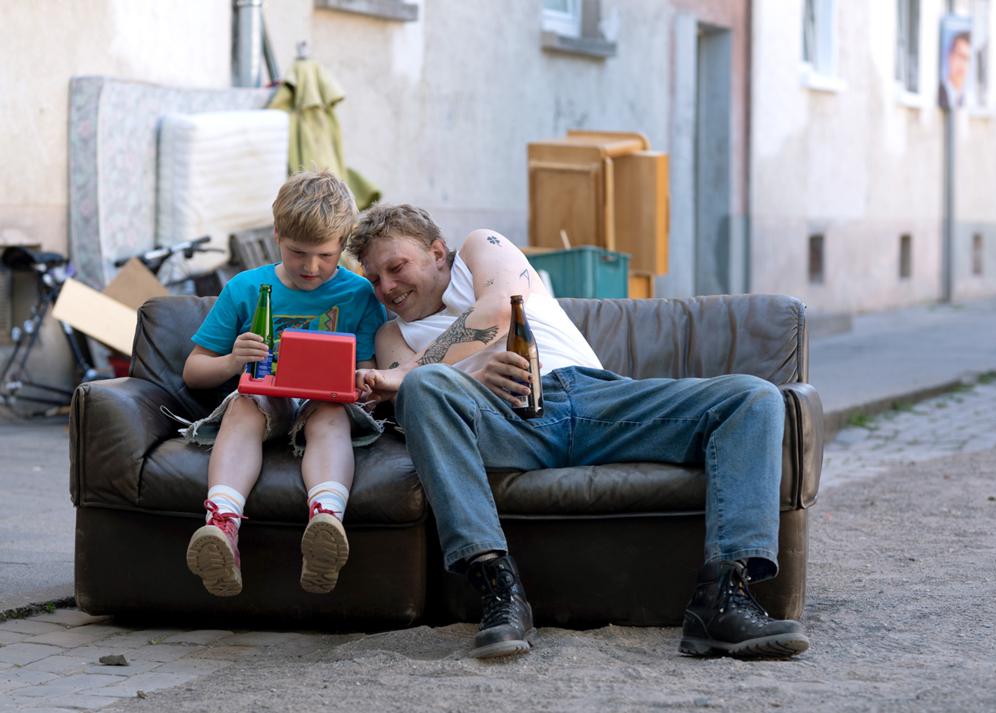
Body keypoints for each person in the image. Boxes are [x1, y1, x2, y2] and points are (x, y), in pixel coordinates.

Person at [348, 204, 809, 660]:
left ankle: (724, 599)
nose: (387, 287)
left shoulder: (479, 249)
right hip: (503, 424)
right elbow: (415, 402)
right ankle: (498, 591)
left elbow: (501, 313)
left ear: (436, 251)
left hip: (597, 400)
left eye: (396, 267)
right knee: (425, 387)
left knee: (753, 397)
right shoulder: (394, 337)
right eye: (374, 278)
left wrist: (417, 371)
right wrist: (467, 376)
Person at [181, 170, 386, 598]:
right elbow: (194, 371)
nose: (312, 267)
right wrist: (233, 361)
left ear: (344, 243)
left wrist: (363, 384)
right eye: (298, 253)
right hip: (261, 401)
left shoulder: (360, 294)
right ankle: (222, 526)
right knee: (244, 403)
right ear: (277, 234)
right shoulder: (245, 288)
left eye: (326, 256)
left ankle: (326, 524)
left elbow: (368, 369)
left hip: (324, 404)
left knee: (330, 413)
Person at [938, 30, 971, 110]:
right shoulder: (937, 93)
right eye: (960, 56)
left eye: (968, 59)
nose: (963, 63)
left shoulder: (969, 100)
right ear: (950, 56)